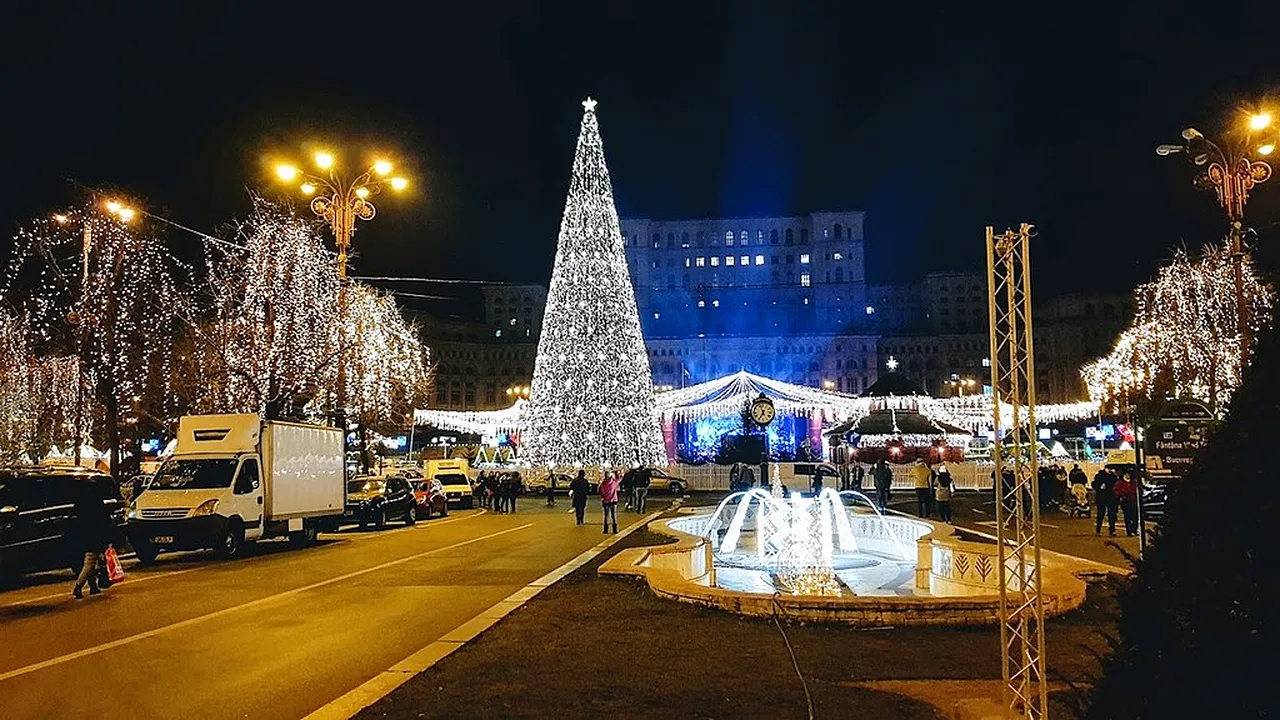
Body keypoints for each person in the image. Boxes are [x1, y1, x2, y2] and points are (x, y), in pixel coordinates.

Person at [72, 479, 114, 599]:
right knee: (90, 561)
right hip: (95, 535)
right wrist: (108, 539)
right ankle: (79, 586)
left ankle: (93, 586)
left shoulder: (80, 502)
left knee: (92, 560)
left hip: (83, 535)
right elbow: (104, 522)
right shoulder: (97, 503)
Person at [1093, 466, 1118, 536]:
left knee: (1112, 515)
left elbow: (1116, 486)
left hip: (1111, 498)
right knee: (1101, 514)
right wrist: (1099, 486)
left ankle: (1112, 530)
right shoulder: (1100, 475)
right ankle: (1098, 530)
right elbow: (1094, 484)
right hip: (1102, 497)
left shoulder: (1114, 476)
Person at [1114, 471, 1139, 536]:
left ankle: (1134, 529)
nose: (1128, 476)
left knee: (1135, 517)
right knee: (1127, 517)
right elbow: (1116, 491)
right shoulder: (1120, 483)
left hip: (1134, 502)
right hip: (1125, 502)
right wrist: (1121, 496)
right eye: (1126, 474)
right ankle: (1129, 531)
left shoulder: (1134, 482)